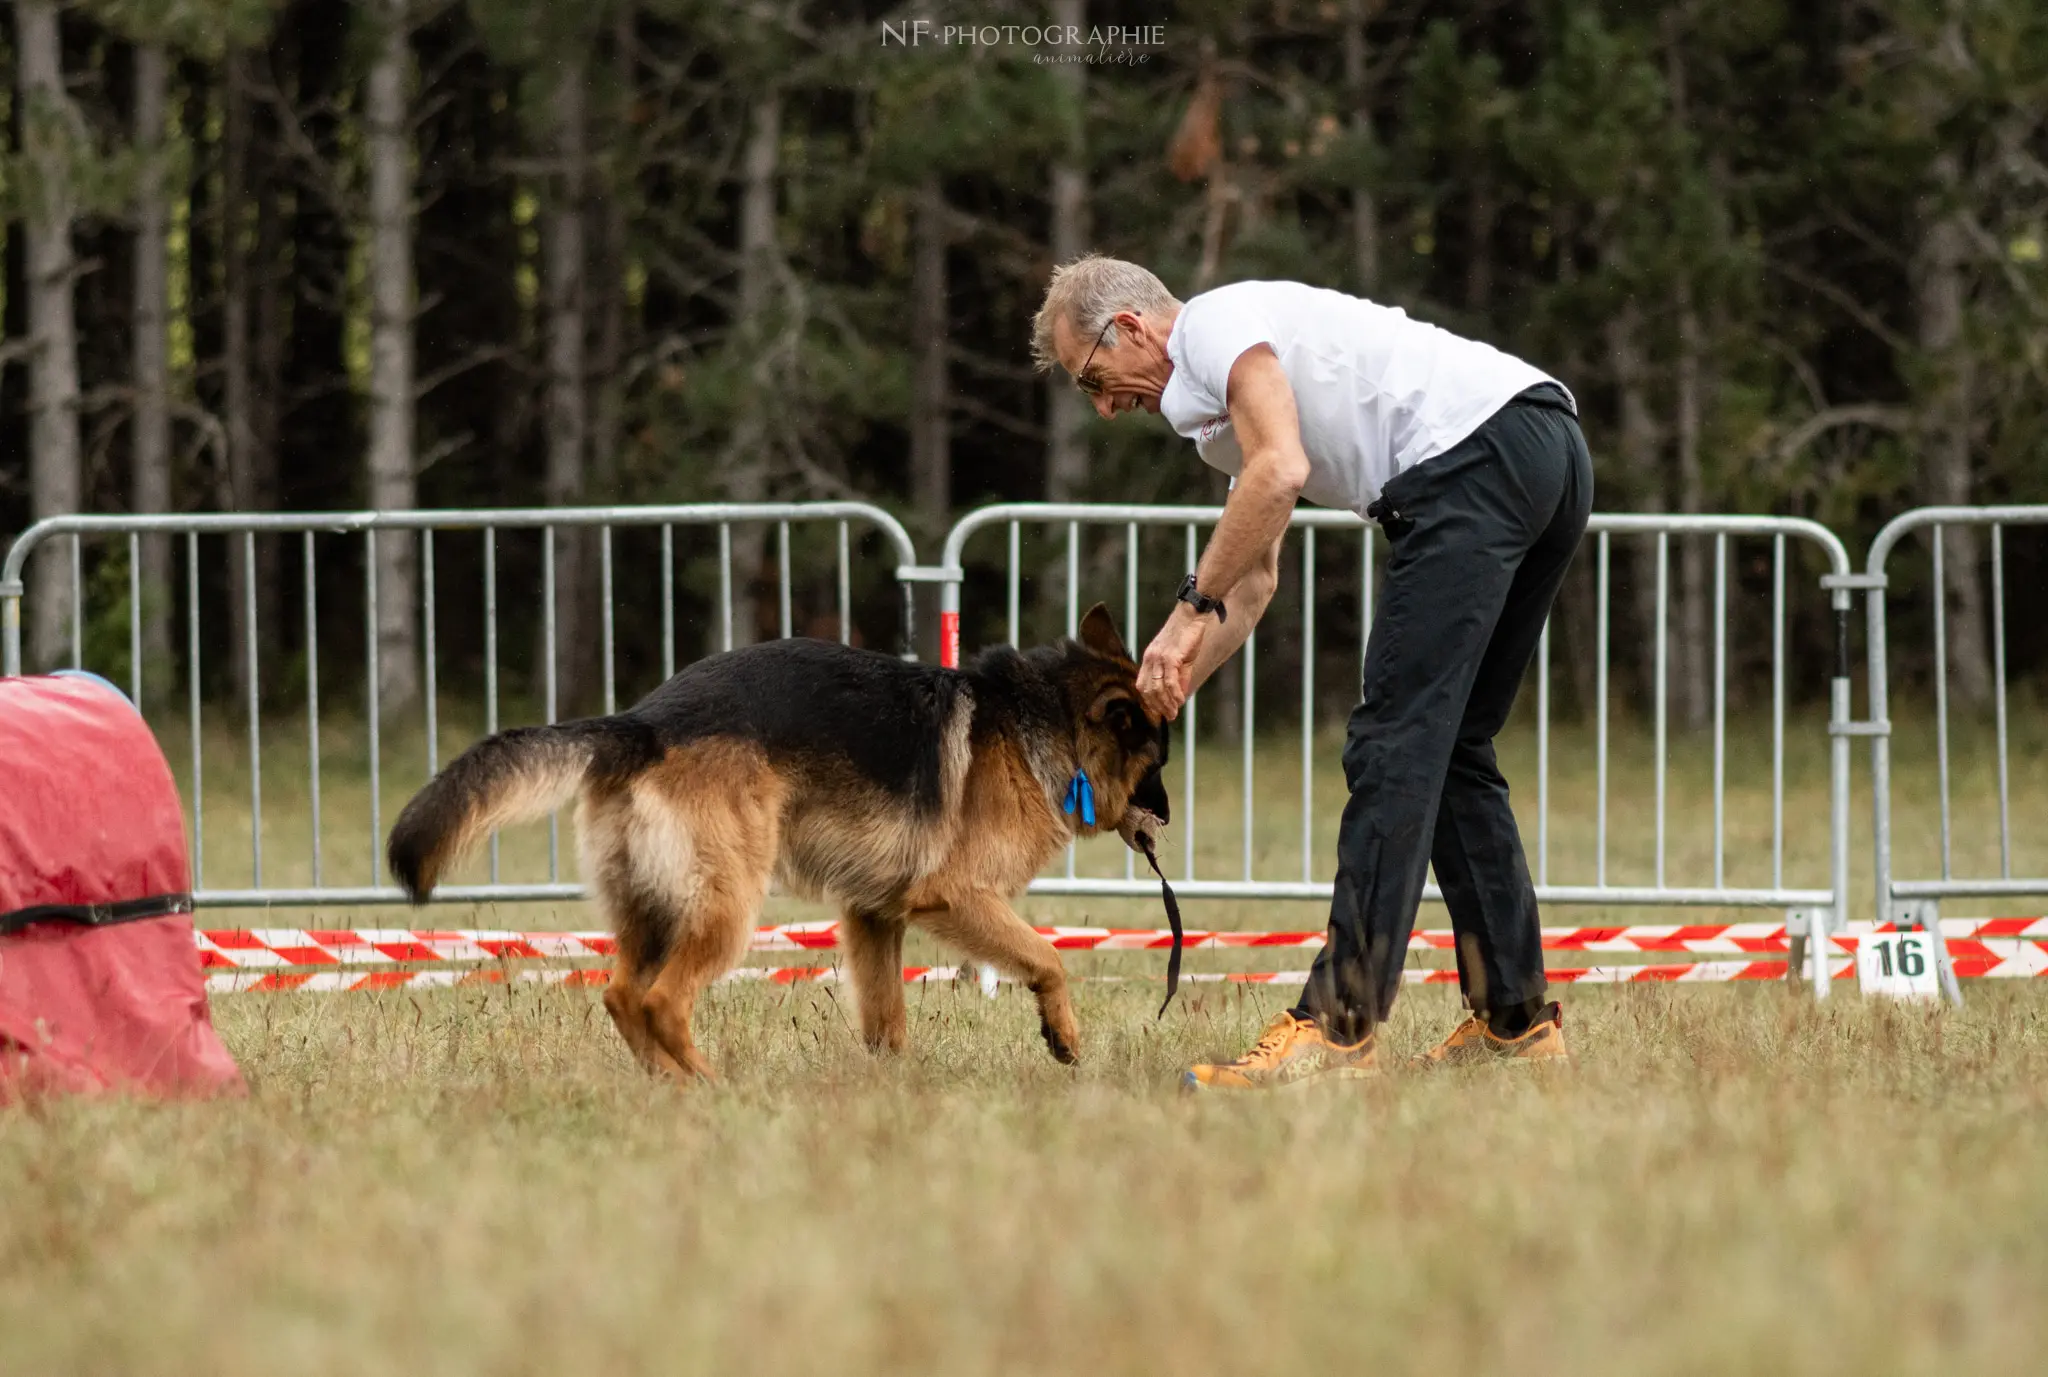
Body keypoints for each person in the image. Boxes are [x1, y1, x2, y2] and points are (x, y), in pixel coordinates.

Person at [1030, 256, 1592, 1090]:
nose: (1107, 408)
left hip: (1474, 459)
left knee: (1392, 746)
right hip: (1543, 447)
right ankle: (1515, 1020)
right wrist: (1162, 691)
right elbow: (1254, 585)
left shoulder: (1215, 326)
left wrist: (1185, 611)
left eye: (1093, 379)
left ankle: (1337, 1026)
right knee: (1455, 746)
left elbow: (1282, 468)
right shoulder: (1213, 421)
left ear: (1133, 328)